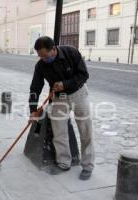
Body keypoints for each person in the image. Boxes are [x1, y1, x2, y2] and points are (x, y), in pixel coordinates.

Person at [28, 36, 95, 180]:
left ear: (53, 49)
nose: (43, 59)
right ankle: (64, 162)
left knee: (85, 130)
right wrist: (33, 109)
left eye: (45, 56)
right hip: (58, 98)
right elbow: (35, 87)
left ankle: (87, 166)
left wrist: (65, 84)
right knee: (59, 132)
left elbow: (84, 74)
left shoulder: (71, 52)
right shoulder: (40, 65)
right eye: (40, 56)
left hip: (78, 94)